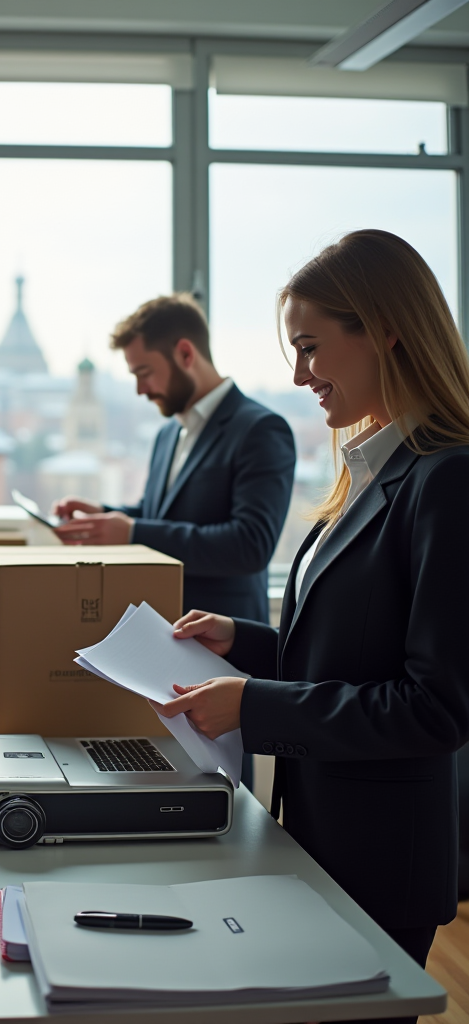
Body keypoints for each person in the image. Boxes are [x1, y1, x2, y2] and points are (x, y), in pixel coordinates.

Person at [159, 230, 469, 1020]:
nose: (298, 376)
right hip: (321, 836)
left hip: (383, 858)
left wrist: (252, 705)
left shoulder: (448, 480)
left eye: (309, 347)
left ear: (385, 330)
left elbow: (435, 707)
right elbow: (350, 652)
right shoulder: (371, 465)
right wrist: (241, 640)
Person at [53, 293, 296, 624]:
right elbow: (157, 515)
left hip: (228, 638)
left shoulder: (260, 429)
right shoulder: (167, 434)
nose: (140, 389)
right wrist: (103, 515)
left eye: (144, 372)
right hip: (162, 628)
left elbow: (250, 545)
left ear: (185, 354)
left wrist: (133, 533)